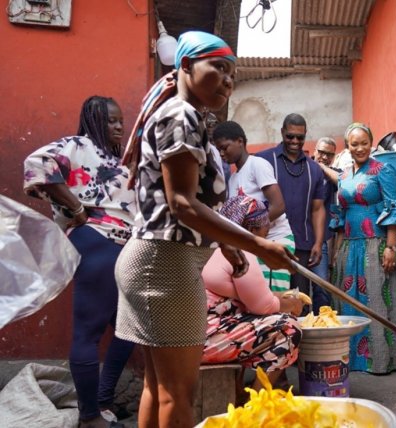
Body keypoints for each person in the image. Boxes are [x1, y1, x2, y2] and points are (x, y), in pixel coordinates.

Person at [114, 31, 294, 428]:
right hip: (165, 263)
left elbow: (195, 205)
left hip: (154, 259)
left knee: (159, 387)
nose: (229, 80)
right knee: (178, 393)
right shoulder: (181, 116)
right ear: (184, 66)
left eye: (233, 73)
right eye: (219, 68)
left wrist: (229, 248)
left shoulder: (189, 118)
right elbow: (181, 203)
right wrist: (257, 245)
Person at [23, 95, 135, 428]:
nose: (118, 126)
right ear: (94, 121)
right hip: (96, 242)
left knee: (129, 331)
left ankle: (101, 401)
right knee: (87, 332)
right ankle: (89, 417)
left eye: (120, 120)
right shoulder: (76, 145)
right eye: (111, 120)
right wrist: (76, 209)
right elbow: (36, 163)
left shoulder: (118, 159)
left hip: (124, 249)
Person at [330, 122, 396, 374]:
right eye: (354, 144)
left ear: (371, 144)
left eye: (364, 143)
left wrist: (390, 247)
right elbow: (341, 214)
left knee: (379, 300)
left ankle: (384, 359)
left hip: (377, 245)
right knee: (353, 302)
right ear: (347, 147)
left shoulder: (384, 169)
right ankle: (355, 359)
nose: (360, 148)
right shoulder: (344, 175)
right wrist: (337, 251)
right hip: (350, 247)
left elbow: (393, 206)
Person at [201, 195, 304, 389]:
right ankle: (256, 403)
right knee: (288, 328)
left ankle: (241, 390)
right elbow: (263, 306)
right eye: (266, 227)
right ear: (252, 230)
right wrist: (292, 304)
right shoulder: (240, 252)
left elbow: (247, 296)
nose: (268, 232)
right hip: (205, 339)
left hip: (198, 331)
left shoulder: (213, 245)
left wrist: (279, 297)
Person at [212, 120, 295, 292]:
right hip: (255, 243)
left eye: (225, 147)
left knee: (275, 299)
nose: (221, 153)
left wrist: (253, 231)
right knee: (260, 297)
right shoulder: (233, 178)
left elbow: (278, 205)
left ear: (240, 141)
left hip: (275, 240)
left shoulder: (257, 165)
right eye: (218, 149)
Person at [256, 113, 326, 300]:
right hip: (269, 243)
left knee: (299, 300)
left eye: (300, 137)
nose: (295, 141)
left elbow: (318, 208)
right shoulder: (263, 160)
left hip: (302, 246)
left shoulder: (314, 169)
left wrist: (318, 242)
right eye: (290, 136)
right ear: (282, 133)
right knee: (268, 299)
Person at [309, 137, 339, 313]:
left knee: (322, 286)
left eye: (329, 154)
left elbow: (343, 181)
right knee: (299, 288)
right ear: (314, 151)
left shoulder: (332, 173)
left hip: (321, 240)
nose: (325, 157)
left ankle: (324, 325)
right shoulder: (303, 169)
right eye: (321, 152)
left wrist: (322, 167)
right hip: (299, 237)